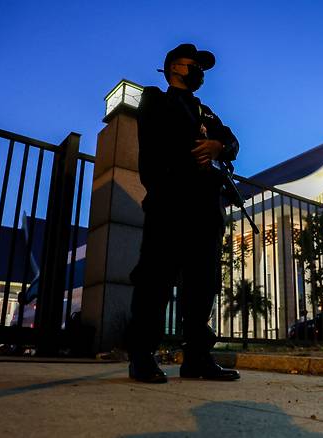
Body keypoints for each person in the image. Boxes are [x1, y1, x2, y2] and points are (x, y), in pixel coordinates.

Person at [127, 43, 241, 383]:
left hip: (205, 209)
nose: (200, 73)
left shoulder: (207, 112)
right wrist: (202, 142)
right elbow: (160, 142)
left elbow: (232, 140)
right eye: (195, 65)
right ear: (175, 67)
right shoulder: (155, 100)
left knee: (202, 284)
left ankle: (197, 358)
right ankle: (142, 356)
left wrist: (219, 146)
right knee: (155, 280)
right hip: (169, 203)